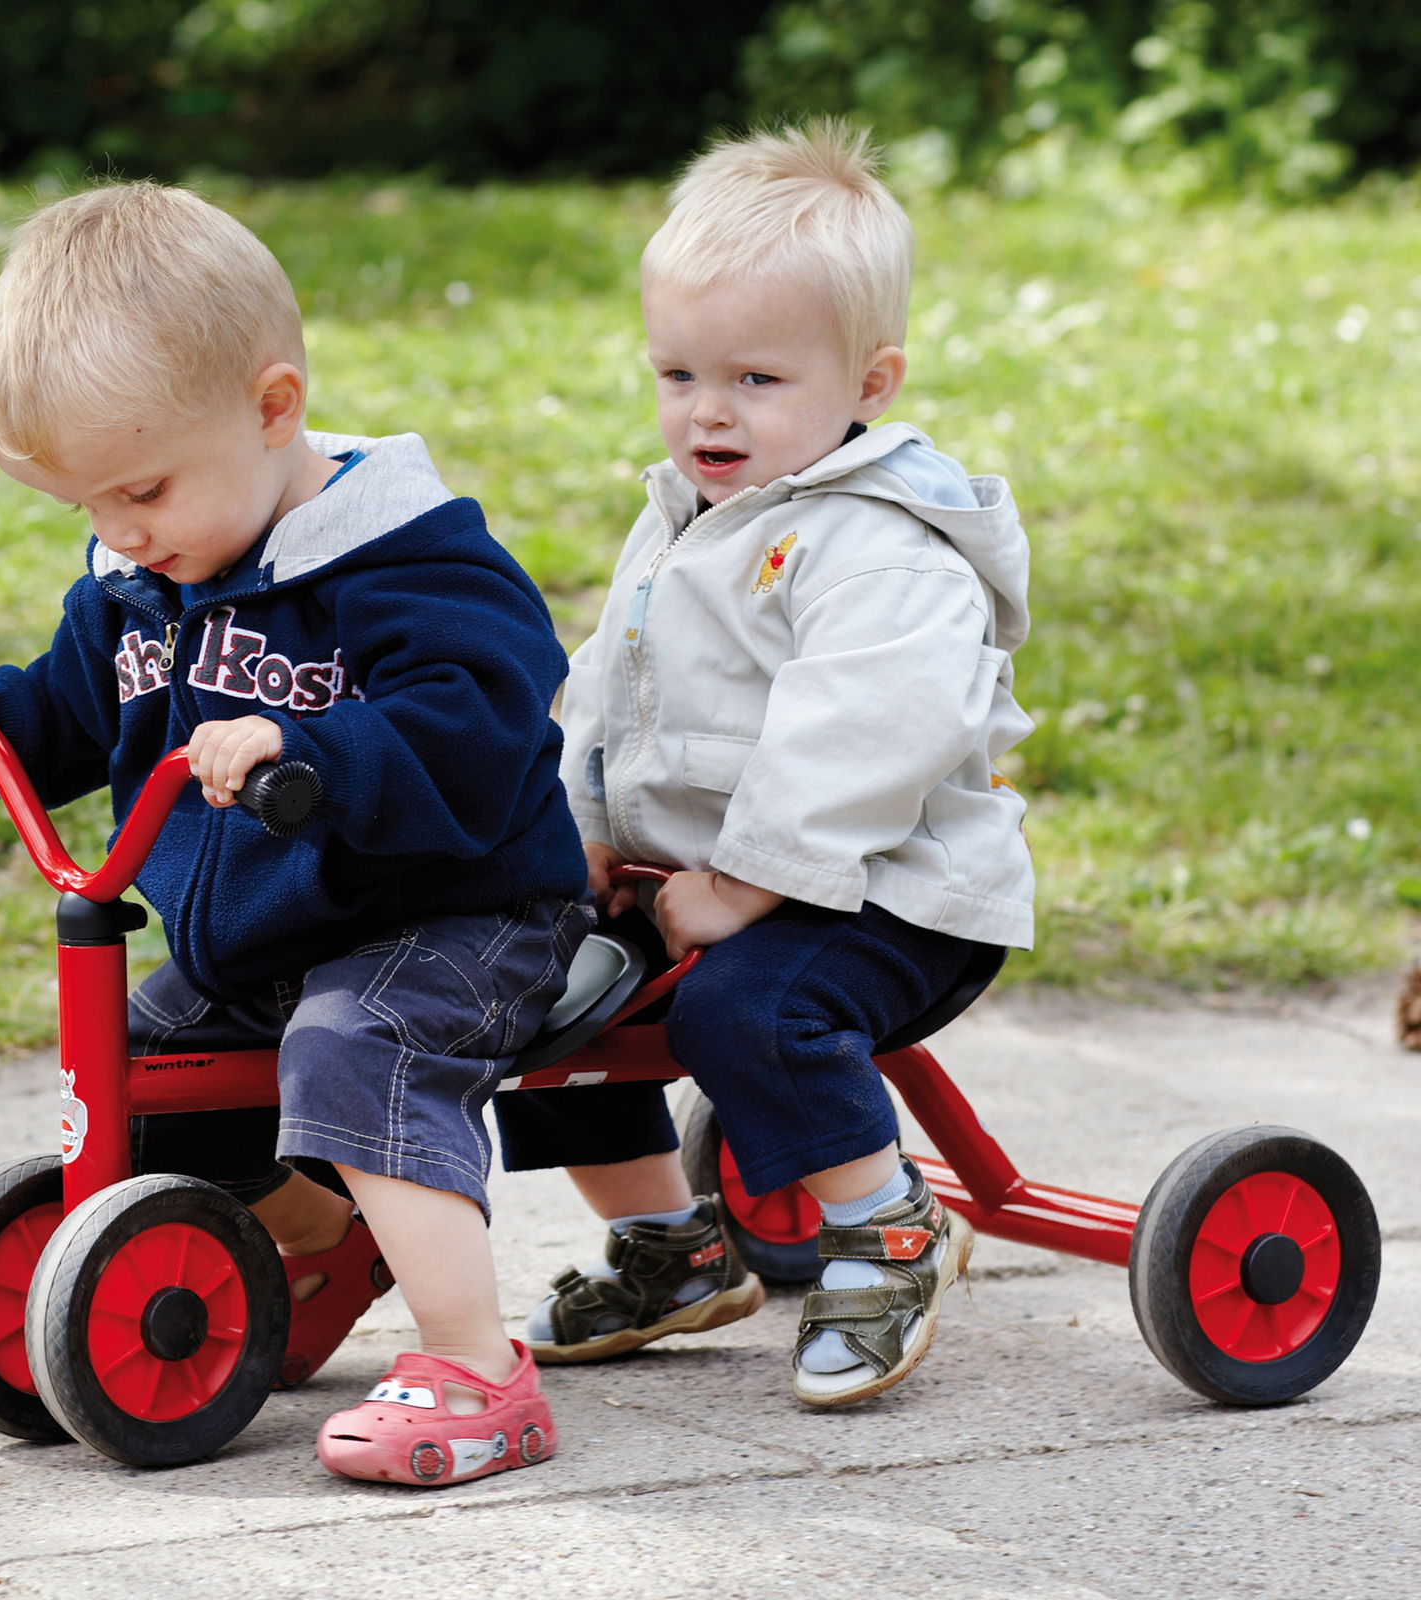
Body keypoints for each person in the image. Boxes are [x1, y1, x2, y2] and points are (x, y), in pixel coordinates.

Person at [0, 181, 593, 1484]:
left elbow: (484, 715)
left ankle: (483, 1370)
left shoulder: (404, 555)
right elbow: (78, 707)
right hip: (270, 925)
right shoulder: (148, 576)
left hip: (452, 910)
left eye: (140, 489)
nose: (119, 533)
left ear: (273, 410)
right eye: (86, 507)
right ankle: (260, 1263)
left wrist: (314, 749)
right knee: (143, 1059)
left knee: (354, 1045)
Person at [492, 120, 1035, 1408]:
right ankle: (670, 1247)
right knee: (528, 990)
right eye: (678, 374)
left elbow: (864, 735)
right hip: (706, 879)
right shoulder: (691, 516)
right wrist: (579, 823)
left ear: (871, 381)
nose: (708, 411)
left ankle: (895, 1232)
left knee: (744, 1012)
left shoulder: (883, 550)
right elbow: (607, 685)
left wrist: (743, 885)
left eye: (755, 380)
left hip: (895, 896)